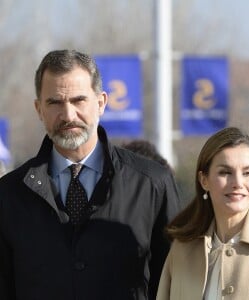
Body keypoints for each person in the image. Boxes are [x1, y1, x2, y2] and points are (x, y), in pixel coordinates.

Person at [0, 49, 181, 300]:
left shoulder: (152, 184)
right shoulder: (9, 195)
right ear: (38, 108)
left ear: (101, 103)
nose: (68, 115)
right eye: (54, 102)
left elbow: (174, 284)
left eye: (78, 100)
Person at [156, 127, 249, 300]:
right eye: (225, 172)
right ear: (204, 180)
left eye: (248, 173)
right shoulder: (182, 250)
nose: (238, 183)